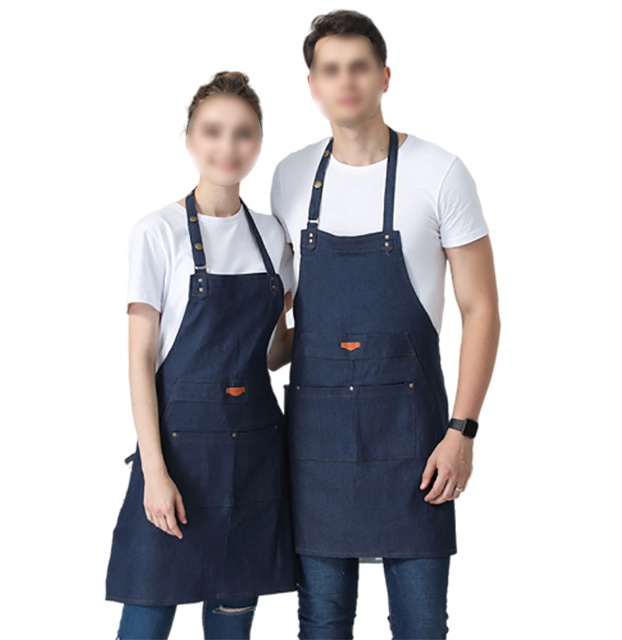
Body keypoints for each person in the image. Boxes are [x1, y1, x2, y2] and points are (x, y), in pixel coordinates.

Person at [270, 10, 500, 640]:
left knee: (422, 627)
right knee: (321, 625)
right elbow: (280, 312)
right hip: (315, 446)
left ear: (384, 76)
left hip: (415, 442)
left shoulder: (440, 172)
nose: (346, 81)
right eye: (331, 69)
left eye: (359, 67)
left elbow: (482, 309)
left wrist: (462, 431)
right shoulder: (290, 176)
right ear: (313, 85)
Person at [105, 71, 298, 640]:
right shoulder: (157, 232)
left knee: (232, 627)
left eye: (243, 133)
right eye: (213, 131)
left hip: (255, 461)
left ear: (258, 142)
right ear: (189, 138)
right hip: (178, 461)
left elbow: (272, 353)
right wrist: (154, 472)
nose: (227, 146)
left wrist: (339, 330)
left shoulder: (273, 235)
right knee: (144, 621)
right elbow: (140, 360)